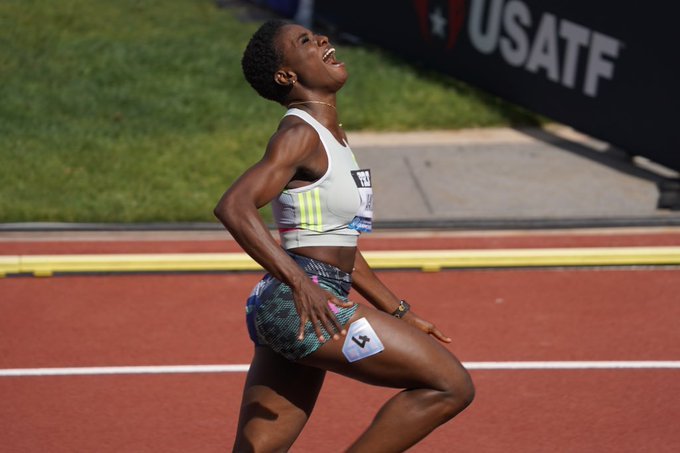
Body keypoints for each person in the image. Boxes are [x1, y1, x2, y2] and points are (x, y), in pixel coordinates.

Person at [214, 19, 474, 452]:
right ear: (287, 76)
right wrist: (301, 285)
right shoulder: (299, 136)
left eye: (316, 36)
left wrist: (398, 310)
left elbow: (343, 246)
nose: (322, 41)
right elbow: (234, 206)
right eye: (305, 42)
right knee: (449, 386)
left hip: (299, 300)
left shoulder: (332, 138)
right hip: (303, 301)